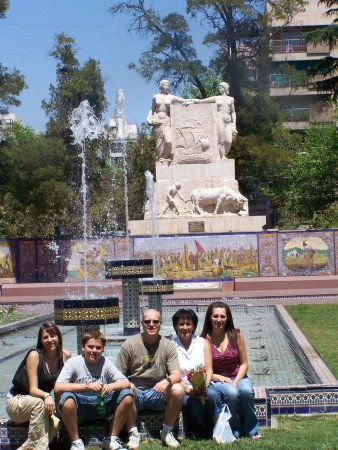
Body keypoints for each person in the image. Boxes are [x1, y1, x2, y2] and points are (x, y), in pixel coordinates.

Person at [116, 309, 184, 449]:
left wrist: (166, 381)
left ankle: (166, 432)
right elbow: (118, 375)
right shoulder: (130, 344)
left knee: (178, 389)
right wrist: (129, 386)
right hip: (136, 395)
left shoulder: (167, 345)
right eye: (147, 322)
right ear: (142, 324)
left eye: (155, 322)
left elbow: (177, 374)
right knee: (126, 389)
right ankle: (133, 433)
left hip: (157, 393)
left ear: (160, 324)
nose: (151, 324)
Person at [54, 330, 133, 450]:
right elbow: (58, 387)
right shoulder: (73, 362)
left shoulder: (105, 362)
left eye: (98, 348)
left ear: (103, 349)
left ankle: (111, 439)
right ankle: (76, 443)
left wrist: (111, 386)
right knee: (67, 398)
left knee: (127, 395)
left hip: (101, 405)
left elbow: (126, 382)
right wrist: (87, 386)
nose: (94, 351)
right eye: (90, 347)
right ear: (83, 347)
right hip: (80, 407)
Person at [201, 301, 262, 439]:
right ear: (209, 317)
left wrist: (236, 381)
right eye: (215, 316)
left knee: (246, 391)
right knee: (232, 393)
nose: (219, 320)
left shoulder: (236, 335)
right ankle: (235, 430)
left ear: (228, 318)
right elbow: (205, 370)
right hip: (217, 379)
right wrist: (219, 378)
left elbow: (244, 363)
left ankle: (252, 430)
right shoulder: (204, 340)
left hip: (238, 376)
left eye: (222, 316)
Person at [6, 321, 71, 450]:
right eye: (45, 337)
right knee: (39, 403)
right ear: (40, 340)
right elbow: (32, 389)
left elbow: (62, 386)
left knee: (57, 423)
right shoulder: (35, 355)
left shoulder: (65, 356)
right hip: (17, 401)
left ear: (59, 336)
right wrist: (47, 395)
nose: (50, 340)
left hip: (39, 405)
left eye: (53, 336)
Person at [171, 308, 221, 438]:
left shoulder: (203, 343)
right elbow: (173, 375)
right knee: (193, 405)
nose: (185, 327)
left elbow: (209, 369)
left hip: (205, 384)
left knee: (213, 395)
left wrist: (204, 385)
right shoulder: (171, 346)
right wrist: (189, 390)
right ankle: (203, 426)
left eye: (188, 324)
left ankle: (219, 425)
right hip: (184, 387)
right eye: (181, 324)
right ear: (176, 326)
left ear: (194, 326)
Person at [147, 79, 189, 161]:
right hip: (157, 122)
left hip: (167, 121)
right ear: (161, 86)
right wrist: (149, 118)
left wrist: (190, 102)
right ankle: (162, 157)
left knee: (168, 141)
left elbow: (182, 100)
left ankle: (166, 155)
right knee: (159, 142)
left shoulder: (171, 97)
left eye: (167, 85)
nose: (166, 87)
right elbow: (152, 109)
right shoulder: (155, 97)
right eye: (164, 85)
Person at [193, 82, 238, 159]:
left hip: (228, 120)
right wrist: (194, 101)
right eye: (219, 88)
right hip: (219, 118)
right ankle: (222, 156)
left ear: (225, 88)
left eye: (221, 88)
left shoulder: (231, 99)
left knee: (229, 141)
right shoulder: (216, 98)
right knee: (222, 139)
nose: (219, 89)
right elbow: (203, 101)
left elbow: (233, 112)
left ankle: (224, 154)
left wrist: (234, 123)